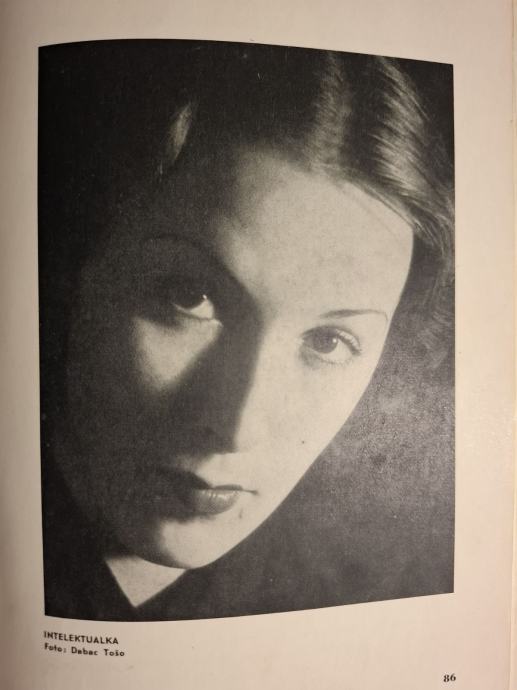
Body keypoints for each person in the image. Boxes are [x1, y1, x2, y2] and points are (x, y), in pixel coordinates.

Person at [40, 41, 454, 621]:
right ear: (75, 270)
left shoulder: (383, 593)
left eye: (328, 342)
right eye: (189, 296)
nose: (236, 429)